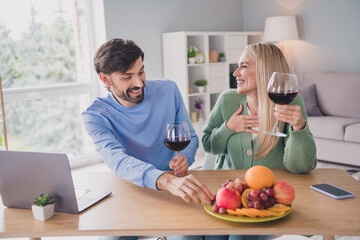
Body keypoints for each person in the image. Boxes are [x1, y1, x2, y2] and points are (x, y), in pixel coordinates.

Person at [82, 38, 214, 240]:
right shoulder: (95, 115)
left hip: (175, 186)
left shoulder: (168, 90)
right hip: (131, 188)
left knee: (190, 237)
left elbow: (191, 138)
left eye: (141, 72)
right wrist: (164, 180)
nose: (138, 83)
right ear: (105, 80)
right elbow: (117, 160)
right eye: (127, 77)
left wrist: (185, 157)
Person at [199, 43, 317, 240]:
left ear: (265, 71)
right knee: (213, 236)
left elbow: (301, 167)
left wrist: (299, 128)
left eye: (243, 66)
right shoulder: (228, 99)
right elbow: (209, 145)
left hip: (265, 203)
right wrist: (228, 127)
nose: (235, 72)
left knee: (239, 238)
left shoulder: (291, 104)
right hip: (228, 195)